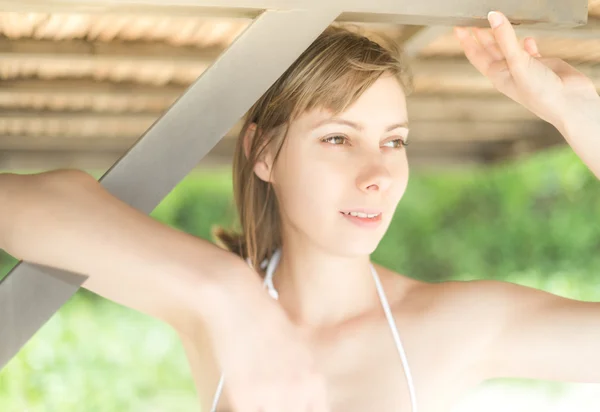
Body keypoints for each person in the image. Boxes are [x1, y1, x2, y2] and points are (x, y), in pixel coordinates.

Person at [1, 10, 599, 412]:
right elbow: (20, 204)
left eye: (394, 140)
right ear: (264, 153)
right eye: (339, 138)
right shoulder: (213, 308)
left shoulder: (456, 328)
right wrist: (226, 291)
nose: (378, 175)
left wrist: (582, 119)